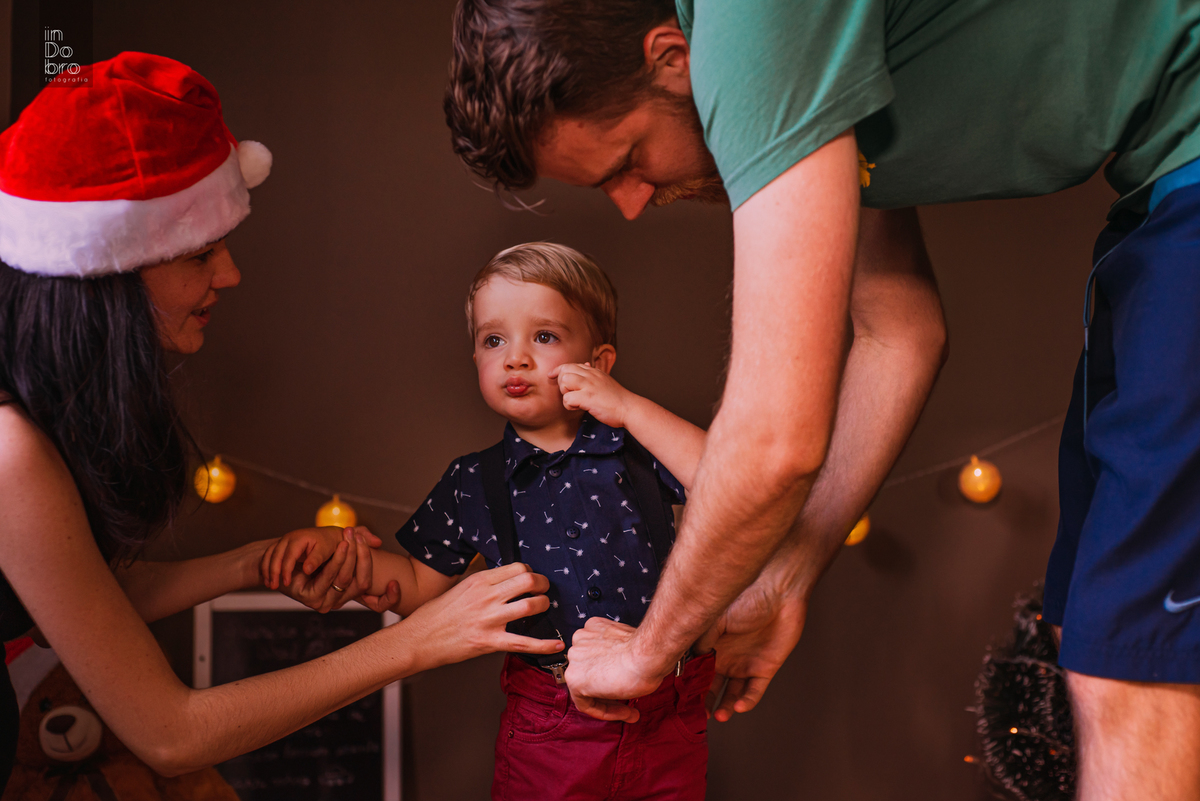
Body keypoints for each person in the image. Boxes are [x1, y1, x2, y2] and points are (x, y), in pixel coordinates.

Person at [442, 2, 1200, 798]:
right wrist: (784, 576)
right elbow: (897, 331)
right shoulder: (811, 72)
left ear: (674, 56)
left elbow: (775, 442)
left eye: (628, 158)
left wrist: (646, 651)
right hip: (1155, 196)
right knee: (1087, 630)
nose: (630, 202)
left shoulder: (753, 19)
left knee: (1135, 669)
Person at [0, 51, 561, 792]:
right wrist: (420, 640)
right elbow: (169, 733)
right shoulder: (10, 451)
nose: (228, 274)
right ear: (104, 275)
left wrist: (253, 562)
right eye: (202, 252)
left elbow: (91, 595)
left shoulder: (39, 414)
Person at [263, 242, 715, 800]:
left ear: (597, 363)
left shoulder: (640, 448)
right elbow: (420, 587)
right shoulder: (473, 479)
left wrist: (628, 407)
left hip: (665, 713)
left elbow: (725, 480)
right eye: (493, 340)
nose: (515, 358)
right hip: (548, 725)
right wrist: (348, 564)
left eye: (543, 337)